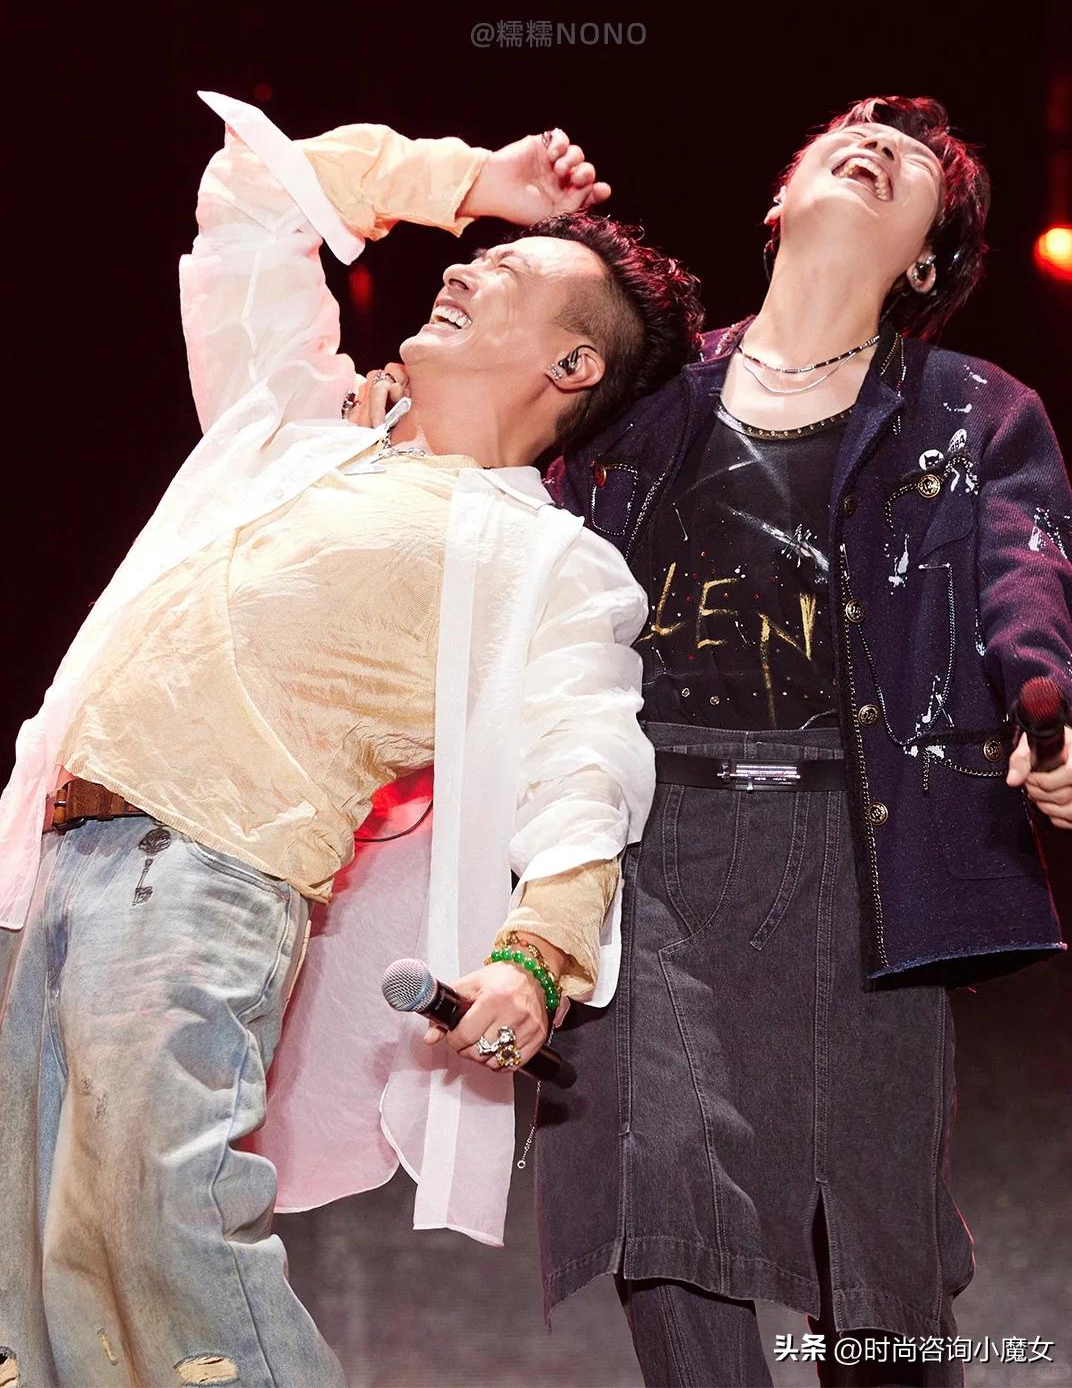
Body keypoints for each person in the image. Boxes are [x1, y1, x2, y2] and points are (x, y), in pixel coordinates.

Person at [0, 91, 704, 1387]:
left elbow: (585, 767)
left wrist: (537, 960)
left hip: (202, 886)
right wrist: (472, 181)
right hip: (55, 870)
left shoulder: (535, 555)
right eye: (477, 257)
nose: (465, 269)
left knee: (168, 1242)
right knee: (40, 1305)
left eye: (508, 276)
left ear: (572, 368)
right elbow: (256, 198)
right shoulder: (295, 429)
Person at [537, 95, 1072, 1387]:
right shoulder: (646, 395)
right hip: (652, 848)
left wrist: (1051, 705)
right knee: (663, 1201)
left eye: (917, 158)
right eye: (855, 125)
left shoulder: (976, 411)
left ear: (929, 260)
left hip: (863, 854)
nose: (877, 137)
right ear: (780, 200)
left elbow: (1028, 572)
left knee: (876, 1277)